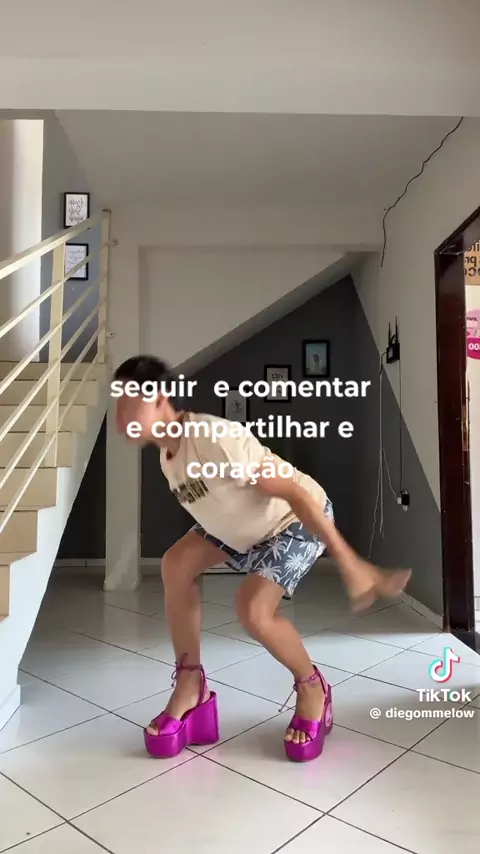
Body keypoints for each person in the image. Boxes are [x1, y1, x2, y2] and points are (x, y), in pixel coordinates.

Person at [113, 355, 411, 763]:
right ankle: (190, 685)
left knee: (253, 609)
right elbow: (220, 508)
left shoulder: (213, 437)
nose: (121, 415)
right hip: (243, 529)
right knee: (176, 563)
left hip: (293, 520)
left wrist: (350, 562)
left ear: (160, 399)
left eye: (129, 402)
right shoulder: (169, 458)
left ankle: (313, 688)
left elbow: (296, 494)